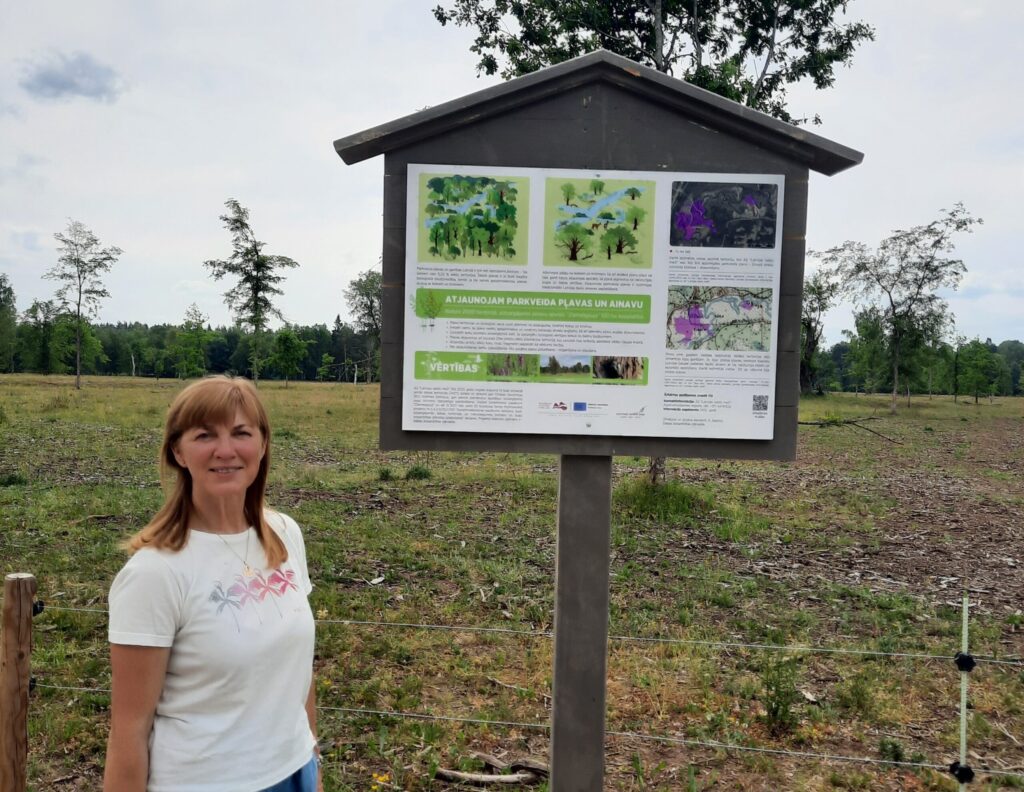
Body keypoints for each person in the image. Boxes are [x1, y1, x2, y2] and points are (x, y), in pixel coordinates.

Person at [103, 376, 323, 792]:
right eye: (205, 435)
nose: (226, 450)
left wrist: (311, 757)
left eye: (241, 433)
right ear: (178, 452)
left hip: (295, 771)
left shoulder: (284, 535)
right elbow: (129, 730)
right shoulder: (155, 573)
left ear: (262, 445)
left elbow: (298, 673)